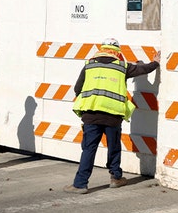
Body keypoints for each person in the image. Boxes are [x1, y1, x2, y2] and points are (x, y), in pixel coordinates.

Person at [64, 38, 160, 194]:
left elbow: (77, 89)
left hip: (91, 115)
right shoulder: (122, 67)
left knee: (89, 149)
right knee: (114, 146)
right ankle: (115, 178)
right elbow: (143, 70)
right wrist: (155, 62)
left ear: (101, 49)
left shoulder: (89, 65)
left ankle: (80, 184)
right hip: (113, 116)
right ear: (117, 52)